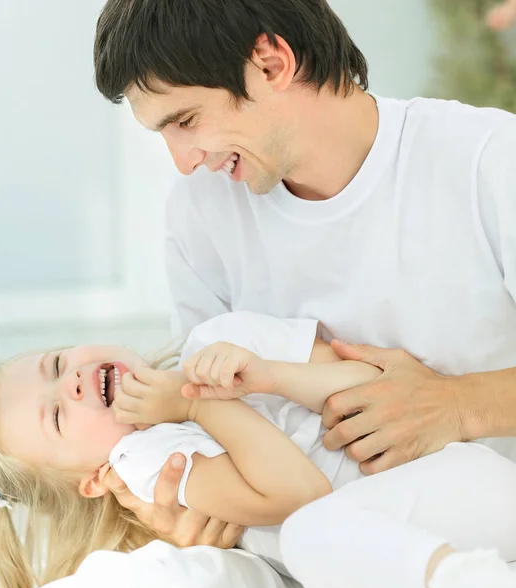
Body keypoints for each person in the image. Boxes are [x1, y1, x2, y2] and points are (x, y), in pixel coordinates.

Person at [92, 0, 516, 548]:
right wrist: (199, 509)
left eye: (186, 120)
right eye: (163, 133)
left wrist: (458, 405)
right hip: (334, 555)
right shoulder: (199, 212)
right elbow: (213, 414)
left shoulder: (489, 161)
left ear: (272, 64)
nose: (184, 160)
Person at [0, 312, 516, 588]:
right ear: (94, 480)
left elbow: (380, 387)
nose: (73, 384)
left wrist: (272, 376)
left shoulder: (219, 339)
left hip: (457, 478)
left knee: (312, 540)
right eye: (59, 416)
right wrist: (199, 405)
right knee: (308, 537)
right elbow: (301, 495)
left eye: (58, 363)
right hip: (438, 527)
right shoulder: (152, 462)